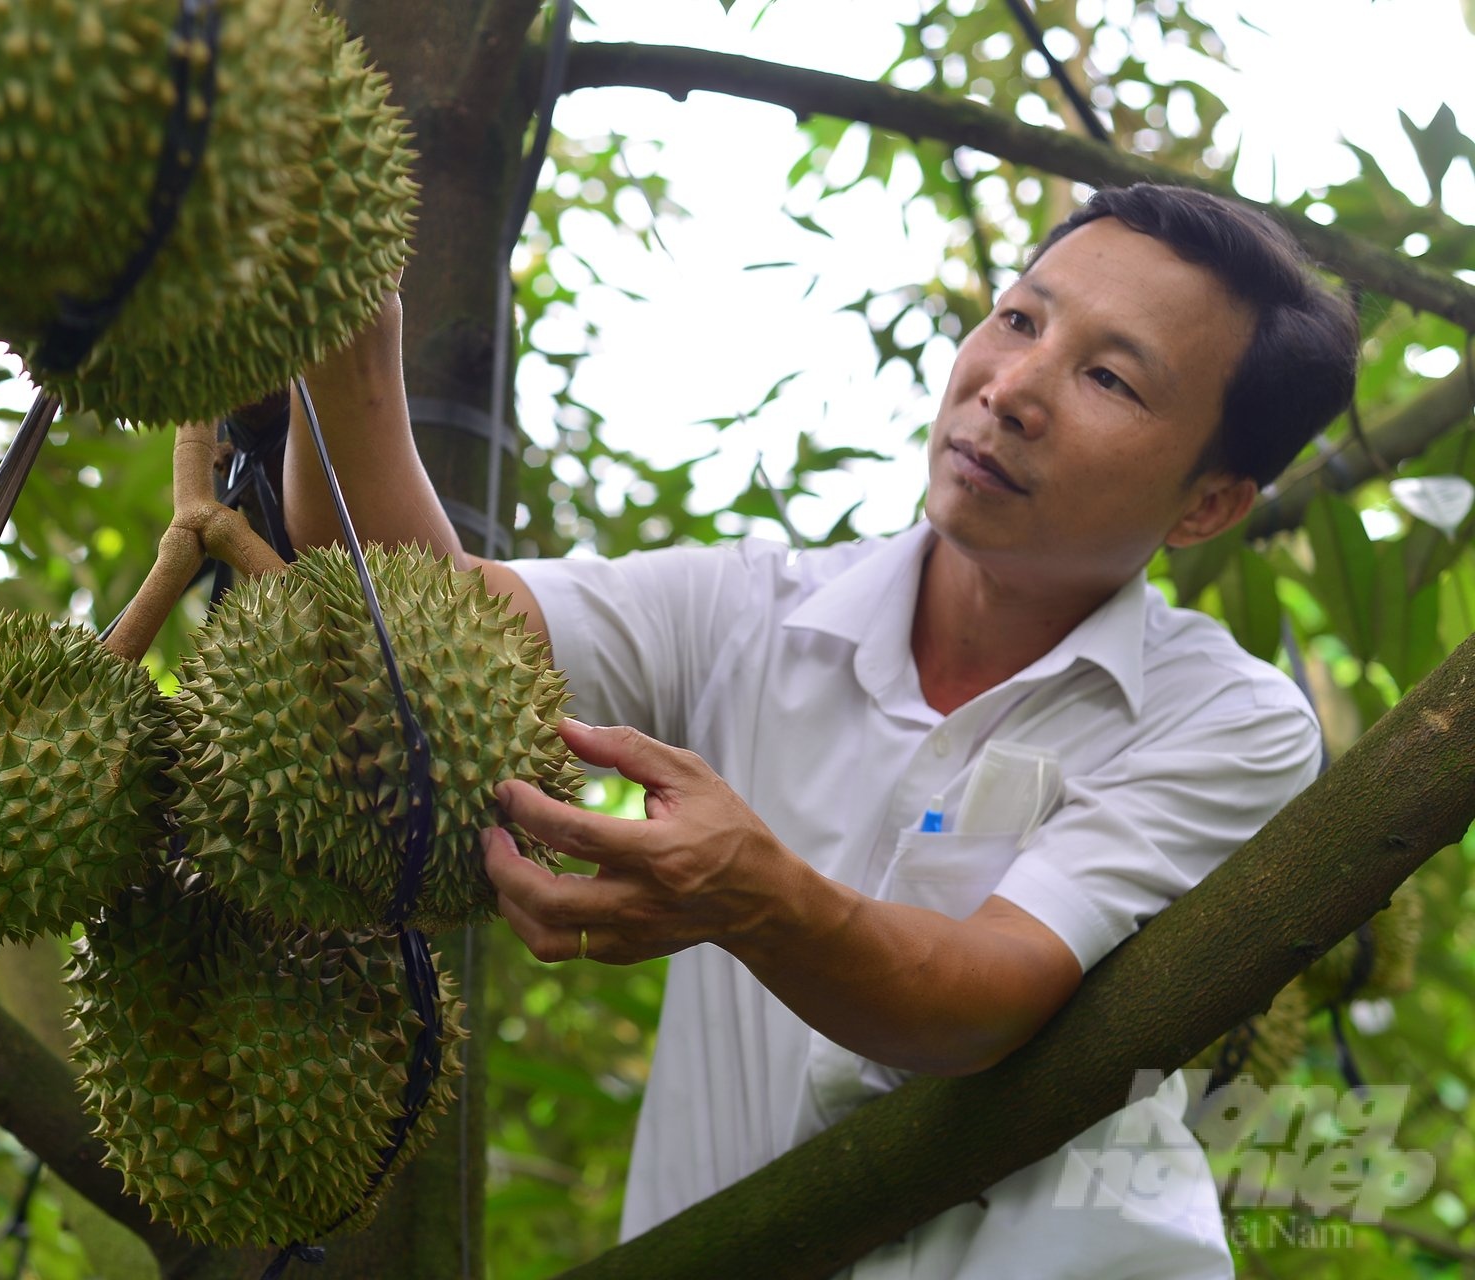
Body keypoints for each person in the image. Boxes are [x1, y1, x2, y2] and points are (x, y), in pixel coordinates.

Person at [283, 183, 1358, 1277]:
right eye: (1021, 319)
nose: (1014, 388)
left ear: (1209, 505)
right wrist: (345, 338)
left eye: (1110, 378)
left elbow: (981, 995)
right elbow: (413, 624)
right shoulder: (756, 609)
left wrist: (754, 891)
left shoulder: (1227, 717)